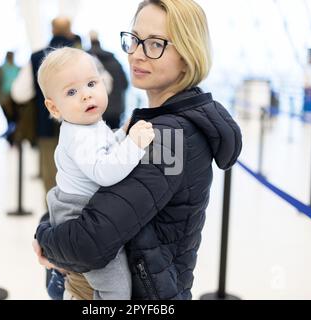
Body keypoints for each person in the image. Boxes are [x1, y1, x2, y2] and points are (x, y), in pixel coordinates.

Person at [33, 0, 242, 300]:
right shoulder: (153, 122)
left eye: (155, 44)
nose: (137, 54)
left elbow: (92, 241)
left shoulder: (172, 137)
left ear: (187, 54)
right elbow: (100, 199)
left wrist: (45, 238)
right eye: (134, 40)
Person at [37, 47, 155, 300]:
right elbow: (104, 172)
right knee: (116, 287)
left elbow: (105, 148)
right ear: (54, 107)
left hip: (80, 209)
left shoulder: (88, 125)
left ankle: (63, 281)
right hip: (76, 215)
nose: (86, 95)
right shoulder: (78, 135)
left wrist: (123, 135)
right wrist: (134, 144)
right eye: (71, 92)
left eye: (91, 83)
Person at [11, 16, 82, 193]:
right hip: (81, 127)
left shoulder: (36, 57)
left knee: (51, 178)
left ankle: (54, 218)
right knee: (81, 177)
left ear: (51, 30)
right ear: (69, 30)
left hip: (47, 124)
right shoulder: (83, 57)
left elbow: (19, 93)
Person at [88, 31, 129, 129]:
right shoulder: (114, 61)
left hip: (93, 111)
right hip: (115, 110)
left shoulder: (85, 61)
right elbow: (125, 84)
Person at [0, 51, 20, 145]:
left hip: (15, 98)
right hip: (5, 98)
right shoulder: (2, 69)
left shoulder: (17, 68)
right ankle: (10, 139)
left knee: (15, 119)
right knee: (9, 119)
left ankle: (14, 138)